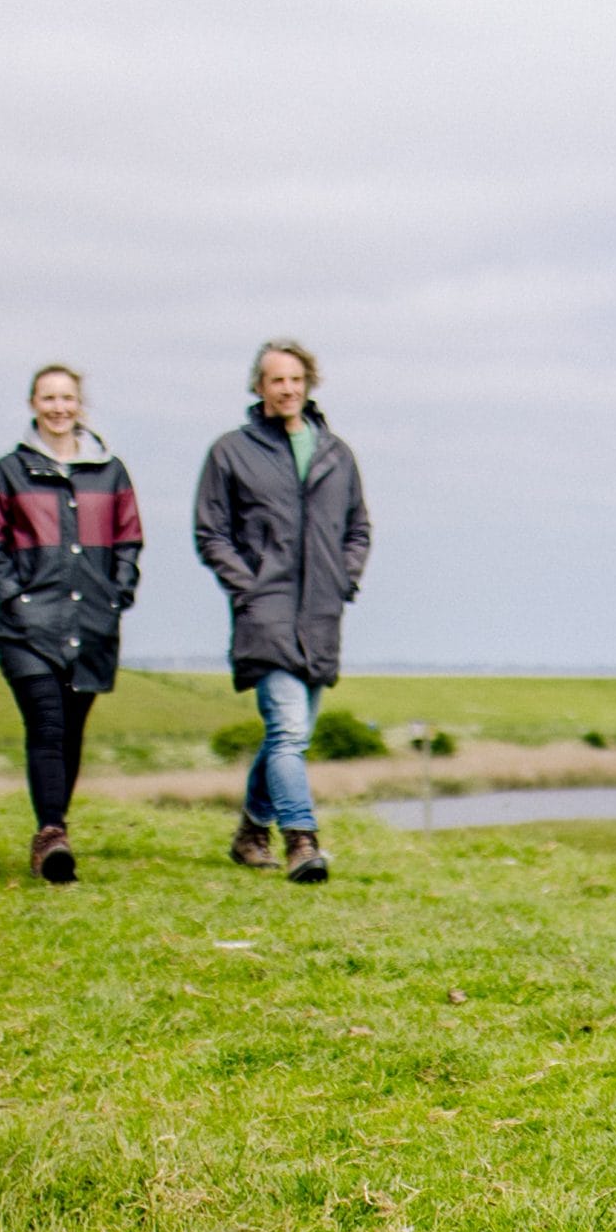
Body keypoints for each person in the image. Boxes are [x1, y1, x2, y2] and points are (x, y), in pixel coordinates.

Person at [194, 338, 371, 883]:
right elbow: (211, 532)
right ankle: (301, 841)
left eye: (296, 379)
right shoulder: (231, 451)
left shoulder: (335, 453)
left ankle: (251, 832)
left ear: (308, 383)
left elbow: (357, 527)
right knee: (289, 731)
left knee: (289, 738)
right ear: (259, 387)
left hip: (320, 613)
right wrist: (247, 586)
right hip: (264, 611)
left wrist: (344, 577)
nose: (287, 389)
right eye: (276, 380)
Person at [0, 363, 143, 884]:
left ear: (80, 404)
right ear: (33, 404)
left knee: (70, 734)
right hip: (27, 629)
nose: (58, 407)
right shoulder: (10, 471)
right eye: (48, 398)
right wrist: (14, 597)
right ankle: (52, 833)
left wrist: (118, 593)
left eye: (67, 397)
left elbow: (129, 539)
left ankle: (53, 832)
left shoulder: (110, 471)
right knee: (45, 725)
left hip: (91, 625)